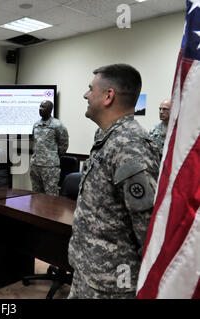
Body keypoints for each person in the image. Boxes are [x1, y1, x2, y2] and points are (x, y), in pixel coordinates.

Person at [67, 64, 160, 299]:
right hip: (88, 272)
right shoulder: (106, 136)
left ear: (109, 96)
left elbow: (146, 227)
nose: (85, 95)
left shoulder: (130, 145)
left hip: (113, 284)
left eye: (90, 89)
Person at [29, 100, 69, 195]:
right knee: (36, 195)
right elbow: (35, 142)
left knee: (51, 195)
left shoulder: (58, 125)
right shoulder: (36, 125)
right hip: (35, 165)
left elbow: (63, 145)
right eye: (40, 106)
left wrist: (52, 156)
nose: (40, 109)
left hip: (50, 167)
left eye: (43, 107)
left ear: (50, 109)